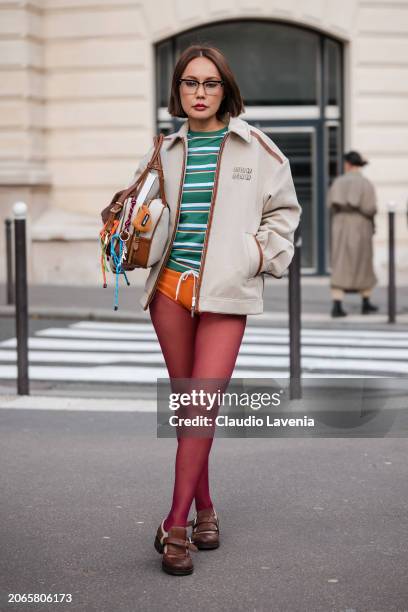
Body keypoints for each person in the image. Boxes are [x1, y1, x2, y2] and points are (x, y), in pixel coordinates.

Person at [130, 45, 301, 575]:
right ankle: (205, 509)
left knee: (201, 404)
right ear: (177, 91)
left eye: (210, 84)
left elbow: (284, 216)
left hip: (226, 294)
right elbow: (141, 209)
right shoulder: (165, 149)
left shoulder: (258, 149)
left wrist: (256, 256)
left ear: (226, 89)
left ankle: (175, 524)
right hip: (170, 292)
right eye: (189, 83)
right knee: (191, 409)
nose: (199, 93)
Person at [327, 150, 379, 317]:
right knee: (363, 262)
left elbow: (331, 204)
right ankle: (365, 302)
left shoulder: (339, 182)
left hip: (341, 225)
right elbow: (370, 208)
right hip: (361, 225)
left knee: (340, 262)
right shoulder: (366, 184)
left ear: (348, 164)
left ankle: (337, 304)